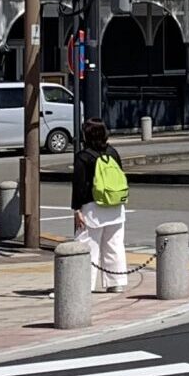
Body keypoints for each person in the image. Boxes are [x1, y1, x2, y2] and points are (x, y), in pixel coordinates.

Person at [71, 119, 127, 293]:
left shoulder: (83, 156)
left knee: (86, 246)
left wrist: (77, 209)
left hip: (92, 208)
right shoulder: (113, 152)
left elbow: (79, 186)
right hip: (116, 206)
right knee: (115, 245)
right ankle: (116, 282)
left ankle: (82, 285)